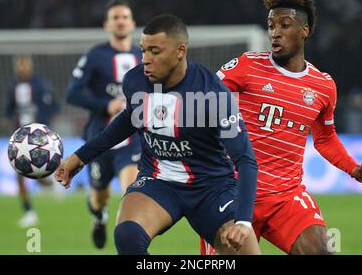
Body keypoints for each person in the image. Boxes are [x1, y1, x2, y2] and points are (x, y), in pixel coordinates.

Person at [200, 0, 362, 255]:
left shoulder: (323, 86)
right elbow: (202, 96)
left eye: (284, 25)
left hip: (285, 196)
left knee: (322, 250)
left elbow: (324, 138)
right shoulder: (247, 66)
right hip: (232, 191)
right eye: (271, 26)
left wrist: (353, 169)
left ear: (304, 30)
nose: (274, 32)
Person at [56, 14, 261, 255]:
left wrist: (244, 222)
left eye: (155, 51)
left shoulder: (213, 94)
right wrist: (79, 157)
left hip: (211, 186)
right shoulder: (135, 81)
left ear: (180, 51)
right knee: (127, 235)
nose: (146, 60)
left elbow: (245, 159)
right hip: (158, 181)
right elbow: (126, 122)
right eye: (143, 51)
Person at [66, 0, 142, 249]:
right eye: (115, 18)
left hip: (132, 140)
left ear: (132, 23)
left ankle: (130, 245)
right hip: (99, 139)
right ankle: (99, 218)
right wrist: (105, 105)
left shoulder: (143, 56)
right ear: (106, 25)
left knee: (131, 190)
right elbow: (72, 93)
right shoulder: (95, 56)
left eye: (124, 17)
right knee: (99, 197)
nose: (120, 22)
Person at [2, 55, 59, 228]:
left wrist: (43, 126)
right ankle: (29, 212)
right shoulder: (13, 87)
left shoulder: (41, 85)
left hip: (39, 139)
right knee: (19, 173)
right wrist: (5, 118)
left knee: (39, 175)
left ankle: (50, 183)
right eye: (19, 66)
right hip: (20, 138)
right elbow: (9, 108)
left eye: (25, 65)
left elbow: (55, 106)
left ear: (30, 66)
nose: (22, 69)